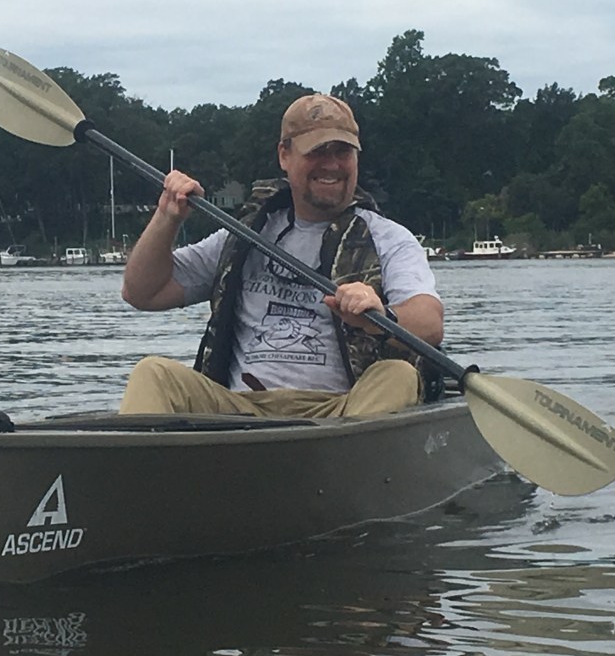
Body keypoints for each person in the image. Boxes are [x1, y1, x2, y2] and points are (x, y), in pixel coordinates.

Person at [118, 91, 442, 418]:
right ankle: (143, 465)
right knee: (153, 373)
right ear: (284, 155)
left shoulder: (389, 238)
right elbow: (142, 292)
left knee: (397, 376)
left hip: (341, 413)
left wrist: (382, 315)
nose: (331, 164)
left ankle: (339, 460)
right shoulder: (243, 235)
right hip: (238, 410)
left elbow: (429, 323)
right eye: (318, 151)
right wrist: (167, 215)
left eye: (343, 151)